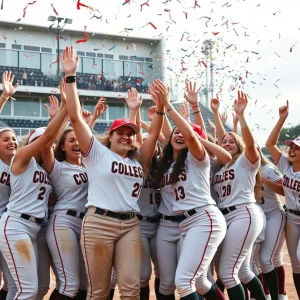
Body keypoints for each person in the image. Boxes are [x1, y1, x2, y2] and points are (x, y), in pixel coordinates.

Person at [60, 46, 164, 300]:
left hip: (130, 224)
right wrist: (71, 76)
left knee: (131, 289)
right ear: (112, 135)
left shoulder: (139, 160)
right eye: (121, 133)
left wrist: (161, 107)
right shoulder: (96, 152)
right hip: (99, 222)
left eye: (130, 133)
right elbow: (74, 117)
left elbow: (153, 133)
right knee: (99, 292)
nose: (126, 136)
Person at [155, 81, 227, 300]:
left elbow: (191, 135)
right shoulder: (167, 164)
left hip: (204, 218)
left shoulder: (198, 159)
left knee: (184, 281)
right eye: (174, 132)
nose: (179, 134)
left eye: (182, 134)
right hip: (185, 221)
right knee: (200, 282)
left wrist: (168, 107)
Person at [0, 93, 68, 300]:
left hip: (35, 227)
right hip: (16, 224)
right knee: (25, 289)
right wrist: (67, 105)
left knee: (29, 288)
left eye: (13, 139)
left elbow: (52, 140)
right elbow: (48, 138)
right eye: (36, 141)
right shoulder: (22, 158)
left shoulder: (47, 170)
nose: (44, 144)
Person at [211, 92, 266, 300]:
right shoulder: (219, 166)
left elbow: (250, 145)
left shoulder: (246, 161)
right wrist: (216, 114)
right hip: (227, 217)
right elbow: (219, 139)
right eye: (223, 142)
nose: (226, 144)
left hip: (244, 214)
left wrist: (241, 116)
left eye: (231, 141)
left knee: (227, 273)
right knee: (242, 271)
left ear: (239, 144)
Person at [266, 100, 300, 298]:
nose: (292, 150)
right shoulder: (286, 165)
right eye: (291, 147)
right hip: (292, 219)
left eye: (297, 148)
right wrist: (281, 120)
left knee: (299, 258)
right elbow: (270, 143)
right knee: (295, 264)